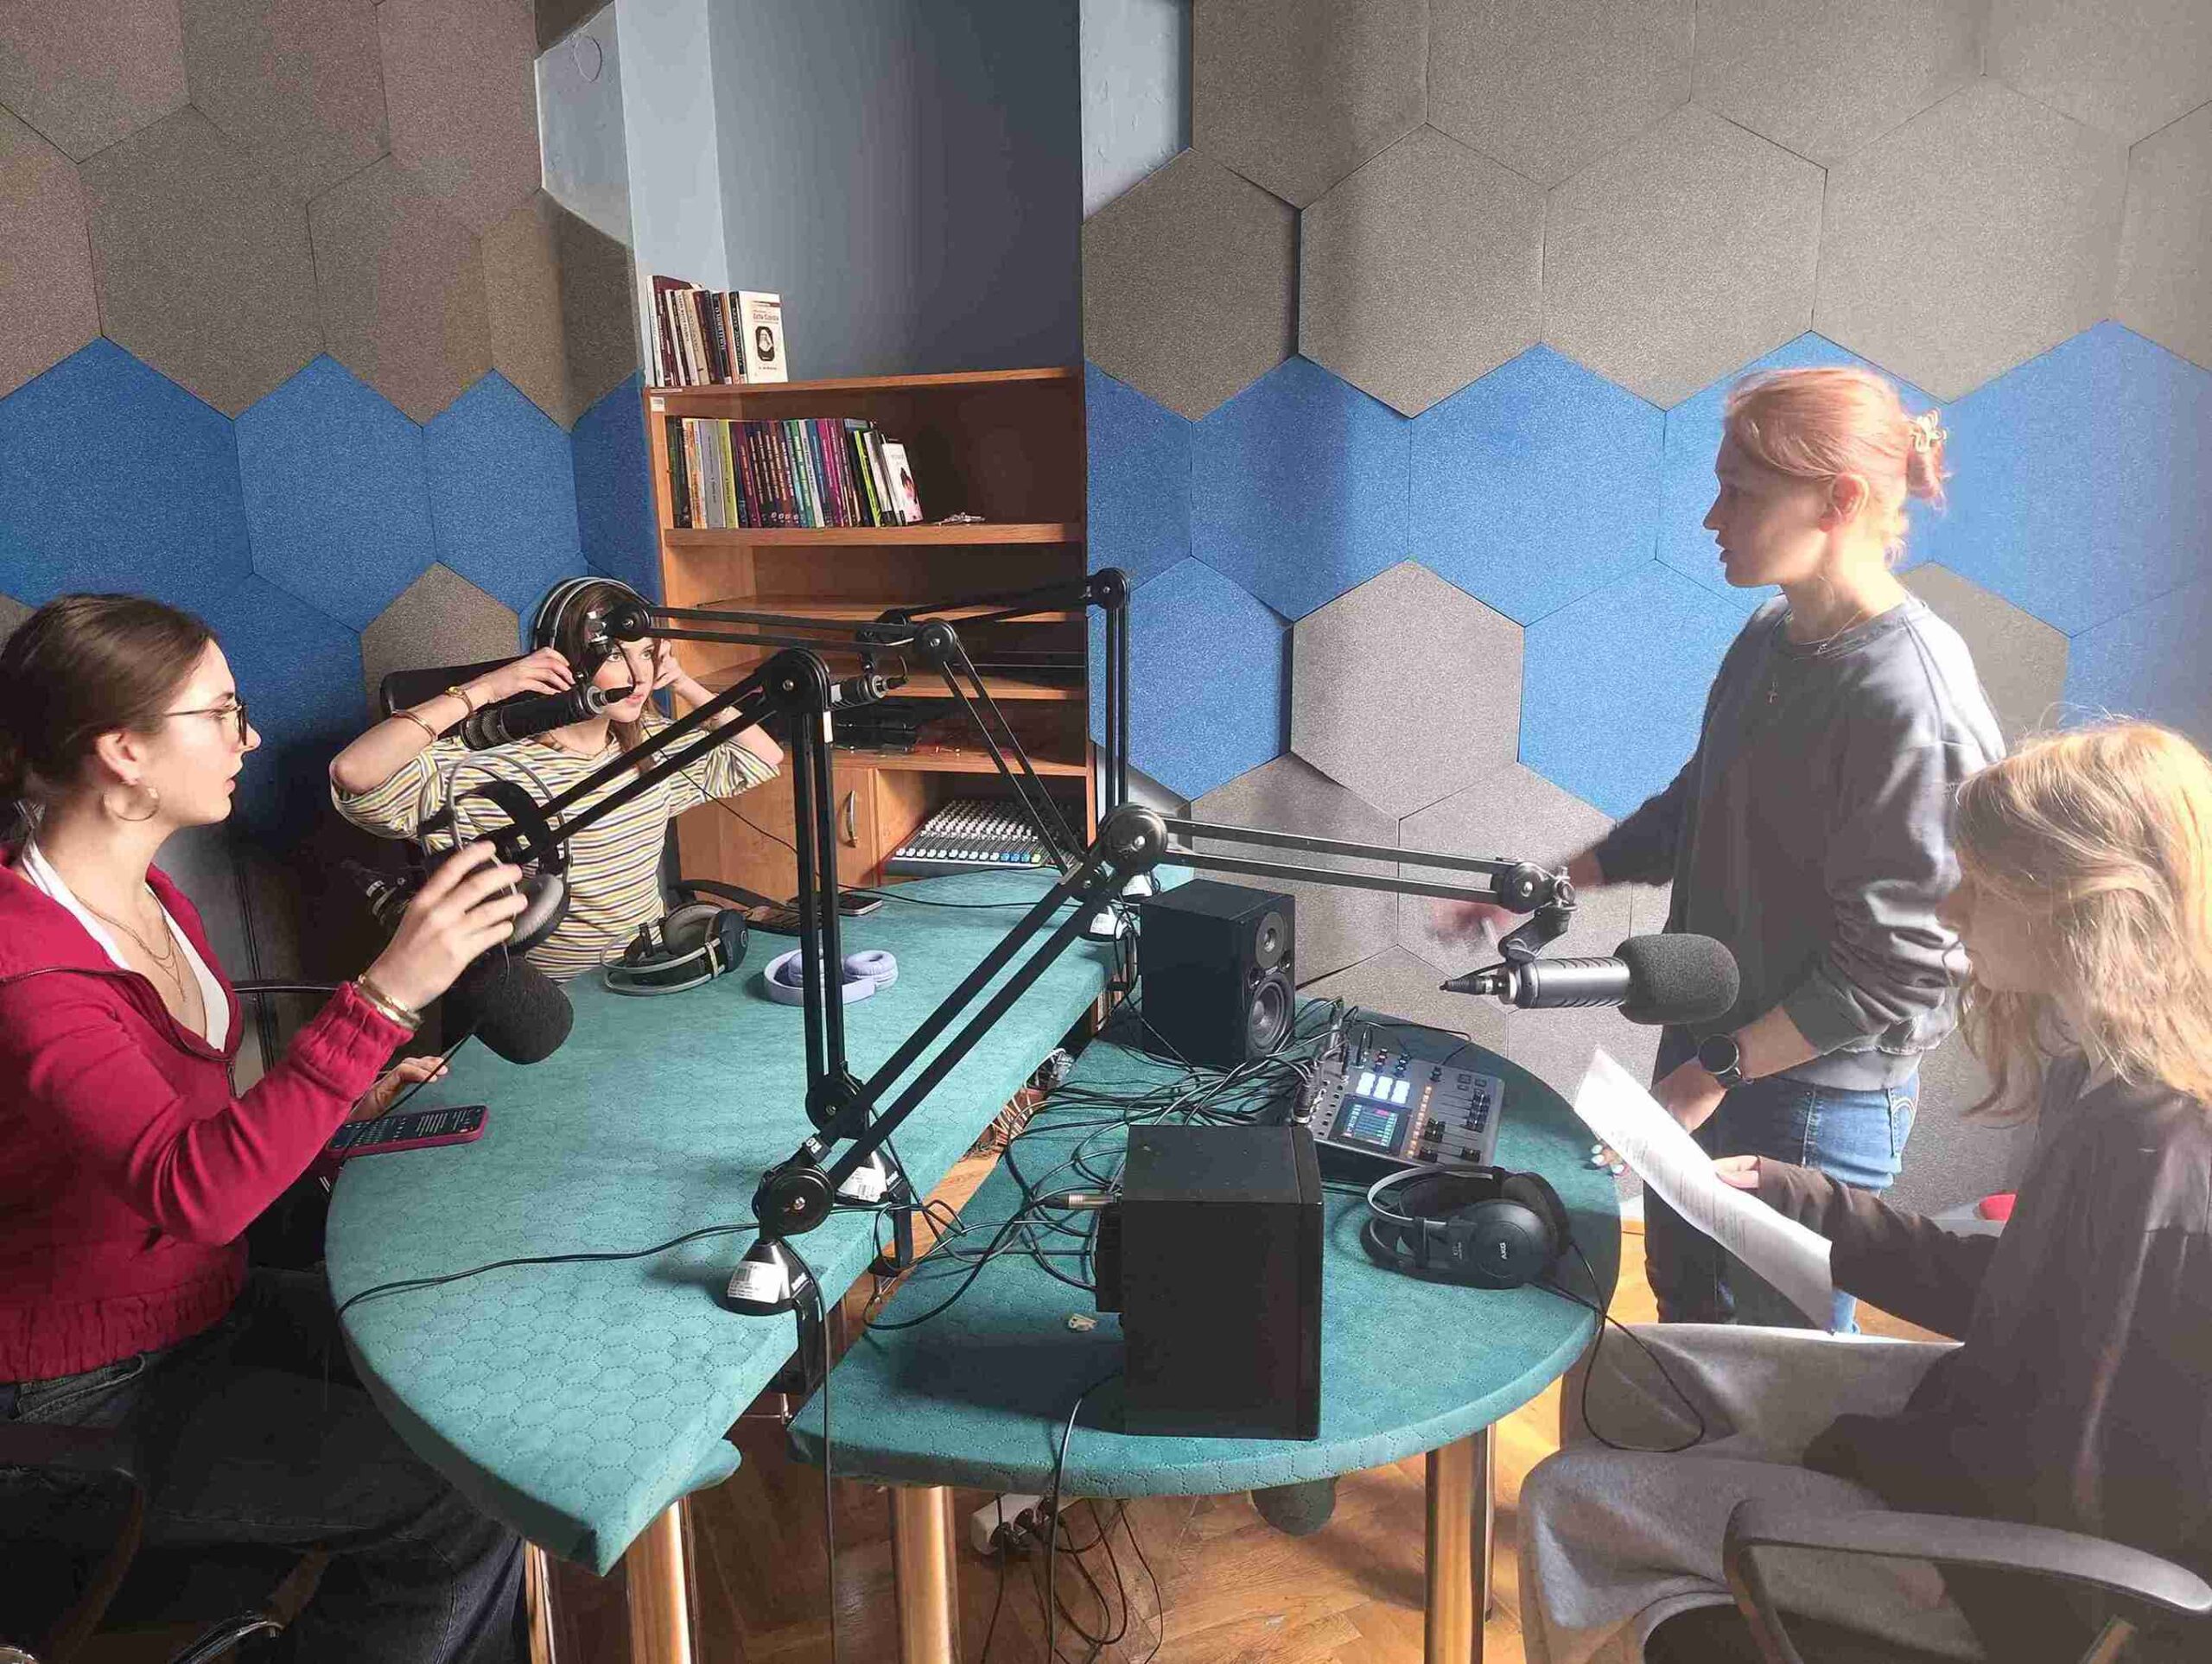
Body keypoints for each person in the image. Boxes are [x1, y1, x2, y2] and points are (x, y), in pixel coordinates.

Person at [1517, 721, 2212, 1664]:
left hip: (2008, 1572)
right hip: (1977, 1432)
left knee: (1564, 1499)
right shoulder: (2093, 1072)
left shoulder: (2158, 1158)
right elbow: (2021, 1300)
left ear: (2085, 909)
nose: (1952, 909)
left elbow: (2090, 1477)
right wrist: (1805, 1200)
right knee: (1625, 1373)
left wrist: (1868, 1475)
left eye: (1981, 886)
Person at [0, 594, 532, 1661]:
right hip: (76, 1400)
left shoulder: (153, 901)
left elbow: (186, 1130)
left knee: (474, 1386)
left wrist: (336, 1108)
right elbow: (193, 1189)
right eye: (221, 712)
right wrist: (383, 999)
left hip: (205, 1307)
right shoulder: (30, 974)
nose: (250, 737)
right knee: (456, 1494)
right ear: (124, 752)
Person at [1444, 365, 2003, 1330]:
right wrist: (1549, 885)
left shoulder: (1910, 699)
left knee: (1778, 1368)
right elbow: (1697, 805)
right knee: (1690, 1319)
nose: (1712, 518)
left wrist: (1713, 1075)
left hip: (1814, 1096)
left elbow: (1901, 970)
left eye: (1739, 493)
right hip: (1713, 1053)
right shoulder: (1770, 632)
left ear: (1840, 500)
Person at [328, 582, 784, 981]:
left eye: (646, 654)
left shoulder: (648, 743)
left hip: (649, 971)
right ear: (567, 663)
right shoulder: (490, 766)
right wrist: (486, 690)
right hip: (565, 998)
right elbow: (354, 772)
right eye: (615, 656)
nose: (639, 676)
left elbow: (762, 756)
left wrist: (683, 682)